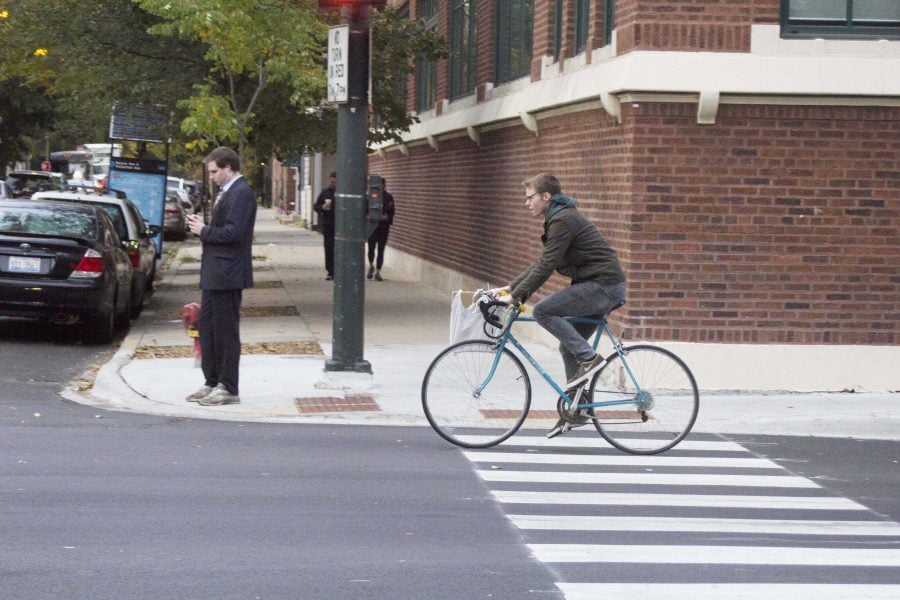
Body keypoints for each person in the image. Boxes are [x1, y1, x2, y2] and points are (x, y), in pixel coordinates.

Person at [489, 173, 626, 438]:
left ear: (546, 197)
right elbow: (542, 261)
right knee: (568, 346)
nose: (526, 203)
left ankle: (590, 358)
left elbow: (546, 264)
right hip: (599, 285)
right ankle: (577, 410)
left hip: (603, 286)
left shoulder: (563, 219)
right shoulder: (559, 217)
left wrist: (517, 297)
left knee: (543, 310)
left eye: (530, 198)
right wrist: (509, 289)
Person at [184, 146, 257, 406]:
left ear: (228, 167)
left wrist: (203, 230)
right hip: (216, 272)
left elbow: (234, 233)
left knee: (226, 331)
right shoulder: (227, 193)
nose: (212, 176)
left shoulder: (242, 193)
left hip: (228, 273)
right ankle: (212, 381)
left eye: (215, 171)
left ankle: (229, 386)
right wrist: (202, 228)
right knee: (207, 328)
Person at [367, 177, 395, 281]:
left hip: (383, 227)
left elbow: (391, 211)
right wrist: (368, 216)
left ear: (384, 185)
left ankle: (378, 271)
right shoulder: (371, 196)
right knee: (371, 248)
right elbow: (365, 210)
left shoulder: (388, 197)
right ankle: (371, 265)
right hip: (372, 227)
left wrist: (387, 217)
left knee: (381, 249)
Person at [314, 171, 337, 280]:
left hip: (340, 226)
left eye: (335, 182)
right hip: (328, 225)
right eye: (332, 181)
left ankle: (339, 270)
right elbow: (316, 206)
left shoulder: (343, 193)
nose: (333, 184)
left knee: (339, 249)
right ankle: (330, 271)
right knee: (329, 248)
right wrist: (323, 207)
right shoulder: (325, 193)